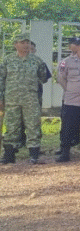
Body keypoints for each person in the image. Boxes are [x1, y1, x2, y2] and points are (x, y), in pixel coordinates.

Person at [0, 33, 50, 165]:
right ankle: (9, 155)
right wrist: (1, 98)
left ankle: (34, 156)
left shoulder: (37, 61)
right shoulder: (7, 60)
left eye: (27, 42)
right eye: (22, 42)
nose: (25, 45)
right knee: (11, 127)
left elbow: (43, 78)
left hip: (31, 100)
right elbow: (1, 80)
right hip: (11, 100)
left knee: (33, 126)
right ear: (15, 44)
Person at [56, 36, 80, 154]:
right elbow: (61, 78)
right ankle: (64, 146)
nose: (76, 46)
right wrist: (70, 91)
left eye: (78, 44)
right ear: (69, 47)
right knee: (67, 122)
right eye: (74, 44)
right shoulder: (65, 61)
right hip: (69, 97)